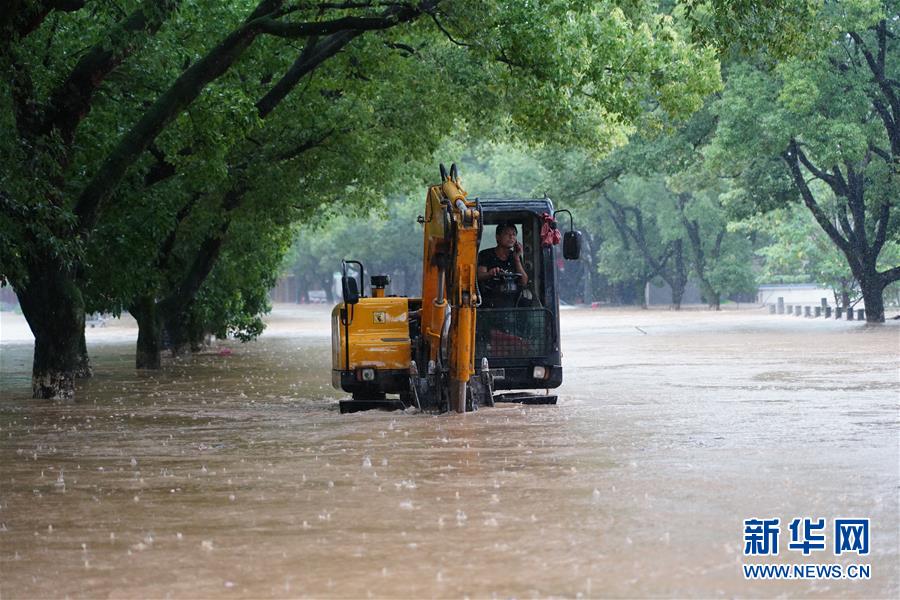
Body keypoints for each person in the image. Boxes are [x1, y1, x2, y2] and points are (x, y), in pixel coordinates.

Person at [477, 222, 529, 308]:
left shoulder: (516, 257)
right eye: (507, 234)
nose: (511, 237)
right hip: (489, 303)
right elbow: (479, 275)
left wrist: (516, 258)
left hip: (511, 303)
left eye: (514, 234)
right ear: (497, 237)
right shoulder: (485, 254)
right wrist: (490, 273)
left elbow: (524, 281)